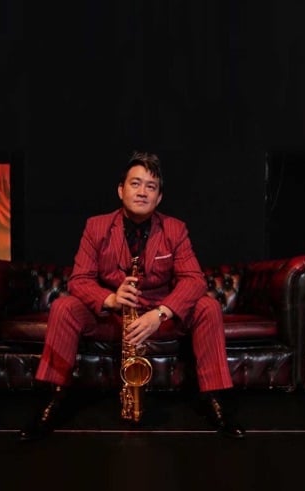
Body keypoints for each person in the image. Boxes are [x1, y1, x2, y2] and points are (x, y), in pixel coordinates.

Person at [20, 151, 245, 440]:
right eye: (135, 184)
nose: (142, 192)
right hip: (113, 317)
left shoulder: (175, 229)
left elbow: (194, 279)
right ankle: (53, 399)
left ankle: (214, 399)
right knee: (64, 306)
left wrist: (160, 313)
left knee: (208, 306)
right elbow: (79, 280)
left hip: (158, 317)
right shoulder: (96, 226)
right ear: (120, 190)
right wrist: (111, 300)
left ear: (159, 197)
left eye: (151, 187)